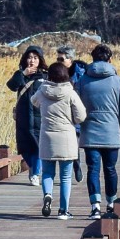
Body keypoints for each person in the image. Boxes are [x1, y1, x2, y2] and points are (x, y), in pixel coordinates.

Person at [76, 43, 120, 217]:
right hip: (110, 131)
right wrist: (117, 121)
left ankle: (95, 206)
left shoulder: (82, 81)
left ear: (92, 59)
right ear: (110, 59)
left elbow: (76, 107)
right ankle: (111, 202)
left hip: (90, 131)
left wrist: (83, 121)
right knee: (110, 168)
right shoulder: (119, 81)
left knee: (93, 169)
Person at [32, 61, 86, 219]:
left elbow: (33, 102)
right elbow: (81, 116)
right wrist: (73, 121)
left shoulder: (42, 91)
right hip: (66, 137)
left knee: (47, 172)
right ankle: (63, 210)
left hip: (46, 136)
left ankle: (48, 195)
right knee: (65, 176)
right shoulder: (70, 93)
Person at [8, 47, 44, 169]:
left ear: (40, 60)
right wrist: (23, 74)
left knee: (39, 146)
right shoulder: (20, 74)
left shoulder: (45, 76)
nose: (32, 61)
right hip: (23, 117)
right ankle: (34, 168)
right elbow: (12, 86)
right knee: (24, 148)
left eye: (35, 58)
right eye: (29, 57)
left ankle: (35, 172)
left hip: (39, 117)